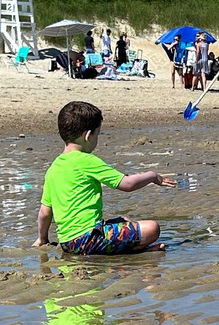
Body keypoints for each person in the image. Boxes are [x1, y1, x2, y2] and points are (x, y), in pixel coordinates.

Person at [34, 101, 176, 254]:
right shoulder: (87, 160)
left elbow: (44, 212)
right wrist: (153, 176)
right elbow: (127, 184)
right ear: (88, 136)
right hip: (88, 240)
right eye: (98, 135)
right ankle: (135, 251)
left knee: (125, 221)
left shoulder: (53, 168)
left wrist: (42, 239)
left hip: (68, 244)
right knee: (152, 228)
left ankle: (136, 249)